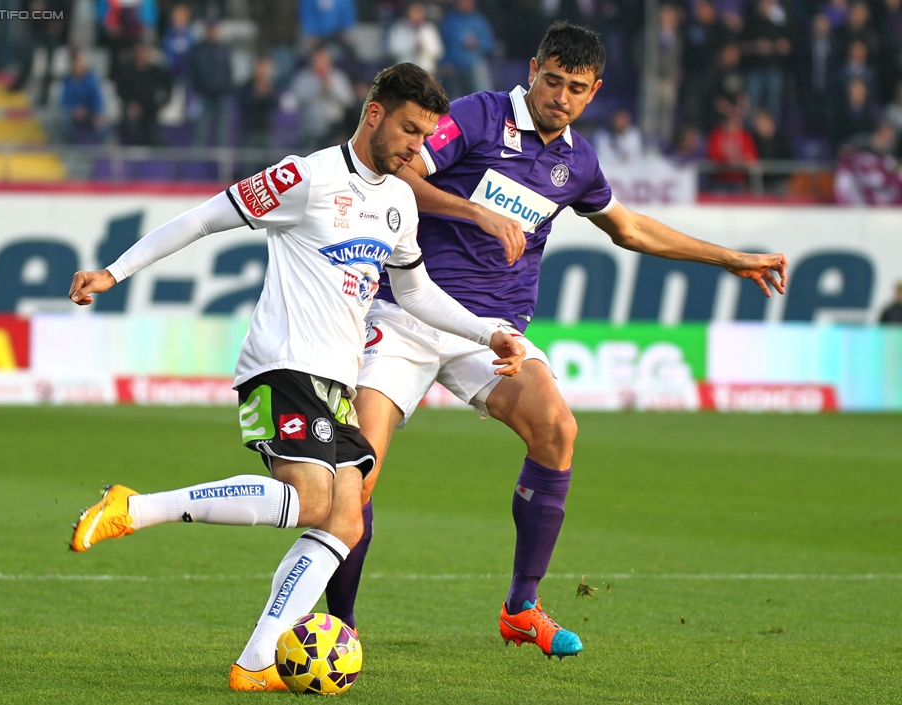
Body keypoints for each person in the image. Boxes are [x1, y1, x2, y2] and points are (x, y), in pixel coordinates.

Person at [322, 21, 788, 659]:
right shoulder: (478, 117)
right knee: (359, 477)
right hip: (407, 314)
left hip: (492, 335)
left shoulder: (578, 163)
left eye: (575, 88)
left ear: (593, 91)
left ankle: (521, 608)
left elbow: (630, 230)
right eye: (551, 81)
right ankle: (339, 627)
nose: (560, 97)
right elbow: (400, 175)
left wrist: (731, 258)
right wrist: (475, 211)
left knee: (558, 429)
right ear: (534, 68)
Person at [65, 62, 525, 691]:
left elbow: (415, 291)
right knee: (311, 500)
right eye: (410, 131)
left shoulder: (397, 201)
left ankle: (255, 664)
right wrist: (113, 273)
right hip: (281, 366)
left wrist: (487, 332)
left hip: (336, 381)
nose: (418, 149)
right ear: (374, 114)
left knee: (346, 518)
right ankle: (136, 508)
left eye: (425, 136)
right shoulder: (305, 177)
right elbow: (203, 218)